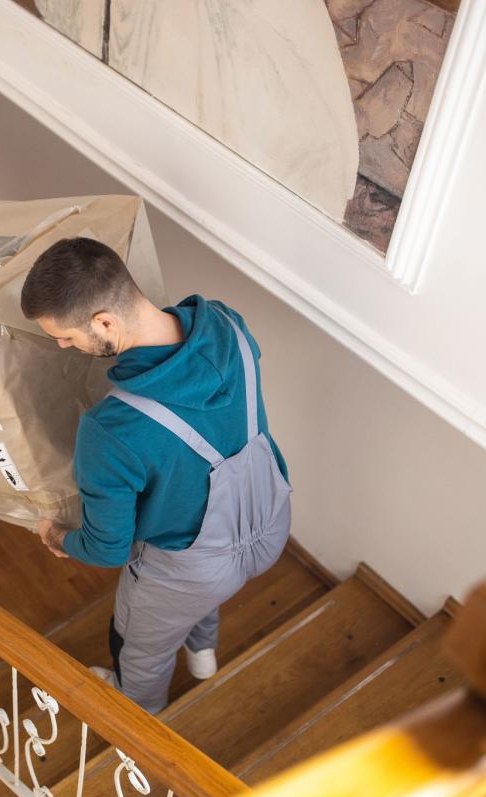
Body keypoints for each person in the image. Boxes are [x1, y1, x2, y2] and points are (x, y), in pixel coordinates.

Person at [22, 238, 291, 713]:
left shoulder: (112, 429)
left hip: (193, 573)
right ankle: (202, 651)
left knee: (139, 651)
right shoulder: (228, 324)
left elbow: (109, 549)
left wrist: (59, 537)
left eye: (66, 335)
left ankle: (139, 719)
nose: (63, 345)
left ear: (105, 322)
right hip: (270, 524)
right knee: (209, 584)